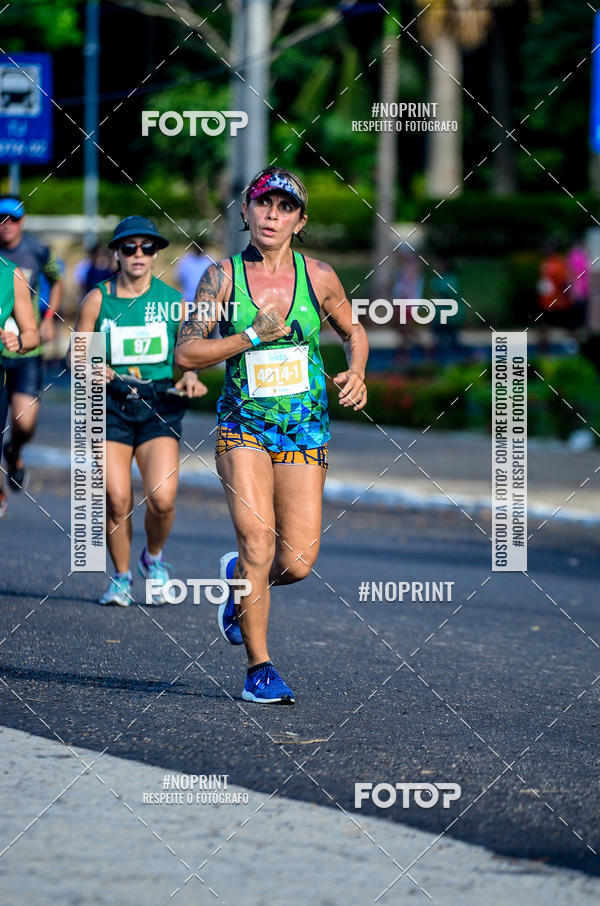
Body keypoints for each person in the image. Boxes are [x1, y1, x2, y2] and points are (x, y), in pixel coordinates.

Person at [175, 167, 369, 704]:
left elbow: (354, 332)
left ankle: (237, 578)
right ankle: (259, 668)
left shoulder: (320, 276)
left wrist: (357, 372)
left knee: (297, 562)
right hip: (244, 429)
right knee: (259, 541)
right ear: (246, 211)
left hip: (304, 429)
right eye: (263, 204)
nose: (271, 216)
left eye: (285, 208)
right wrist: (248, 335)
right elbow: (187, 353)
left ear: (300, 221)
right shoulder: (223, 276)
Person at [72, 216, 206, 606]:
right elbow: (76, 351)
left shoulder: (171, 301)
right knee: (117, 498)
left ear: (156, 254)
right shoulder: (98, 298)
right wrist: (88, 365)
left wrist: (192, 376)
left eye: (147, 248)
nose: (138, 255)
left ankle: (154, 558)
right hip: (110, 405)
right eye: (129, 247)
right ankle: (121, 577)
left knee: (162, 499)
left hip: (159, 405)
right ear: (116, 252)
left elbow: (188, 353)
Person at [0, 195, 63, 512]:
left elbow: (57, 279)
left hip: (25, 349)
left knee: (24, 421)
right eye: (1, 218)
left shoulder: (36, 252)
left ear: (22, 221)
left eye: (13, 219)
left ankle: (14, 450)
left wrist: (50, 317)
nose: (7, 225)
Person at [0, 258, 40, 470]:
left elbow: (32, 335)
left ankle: (13, 451)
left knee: (24, 423)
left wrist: (19, 341)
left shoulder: (10, 274)